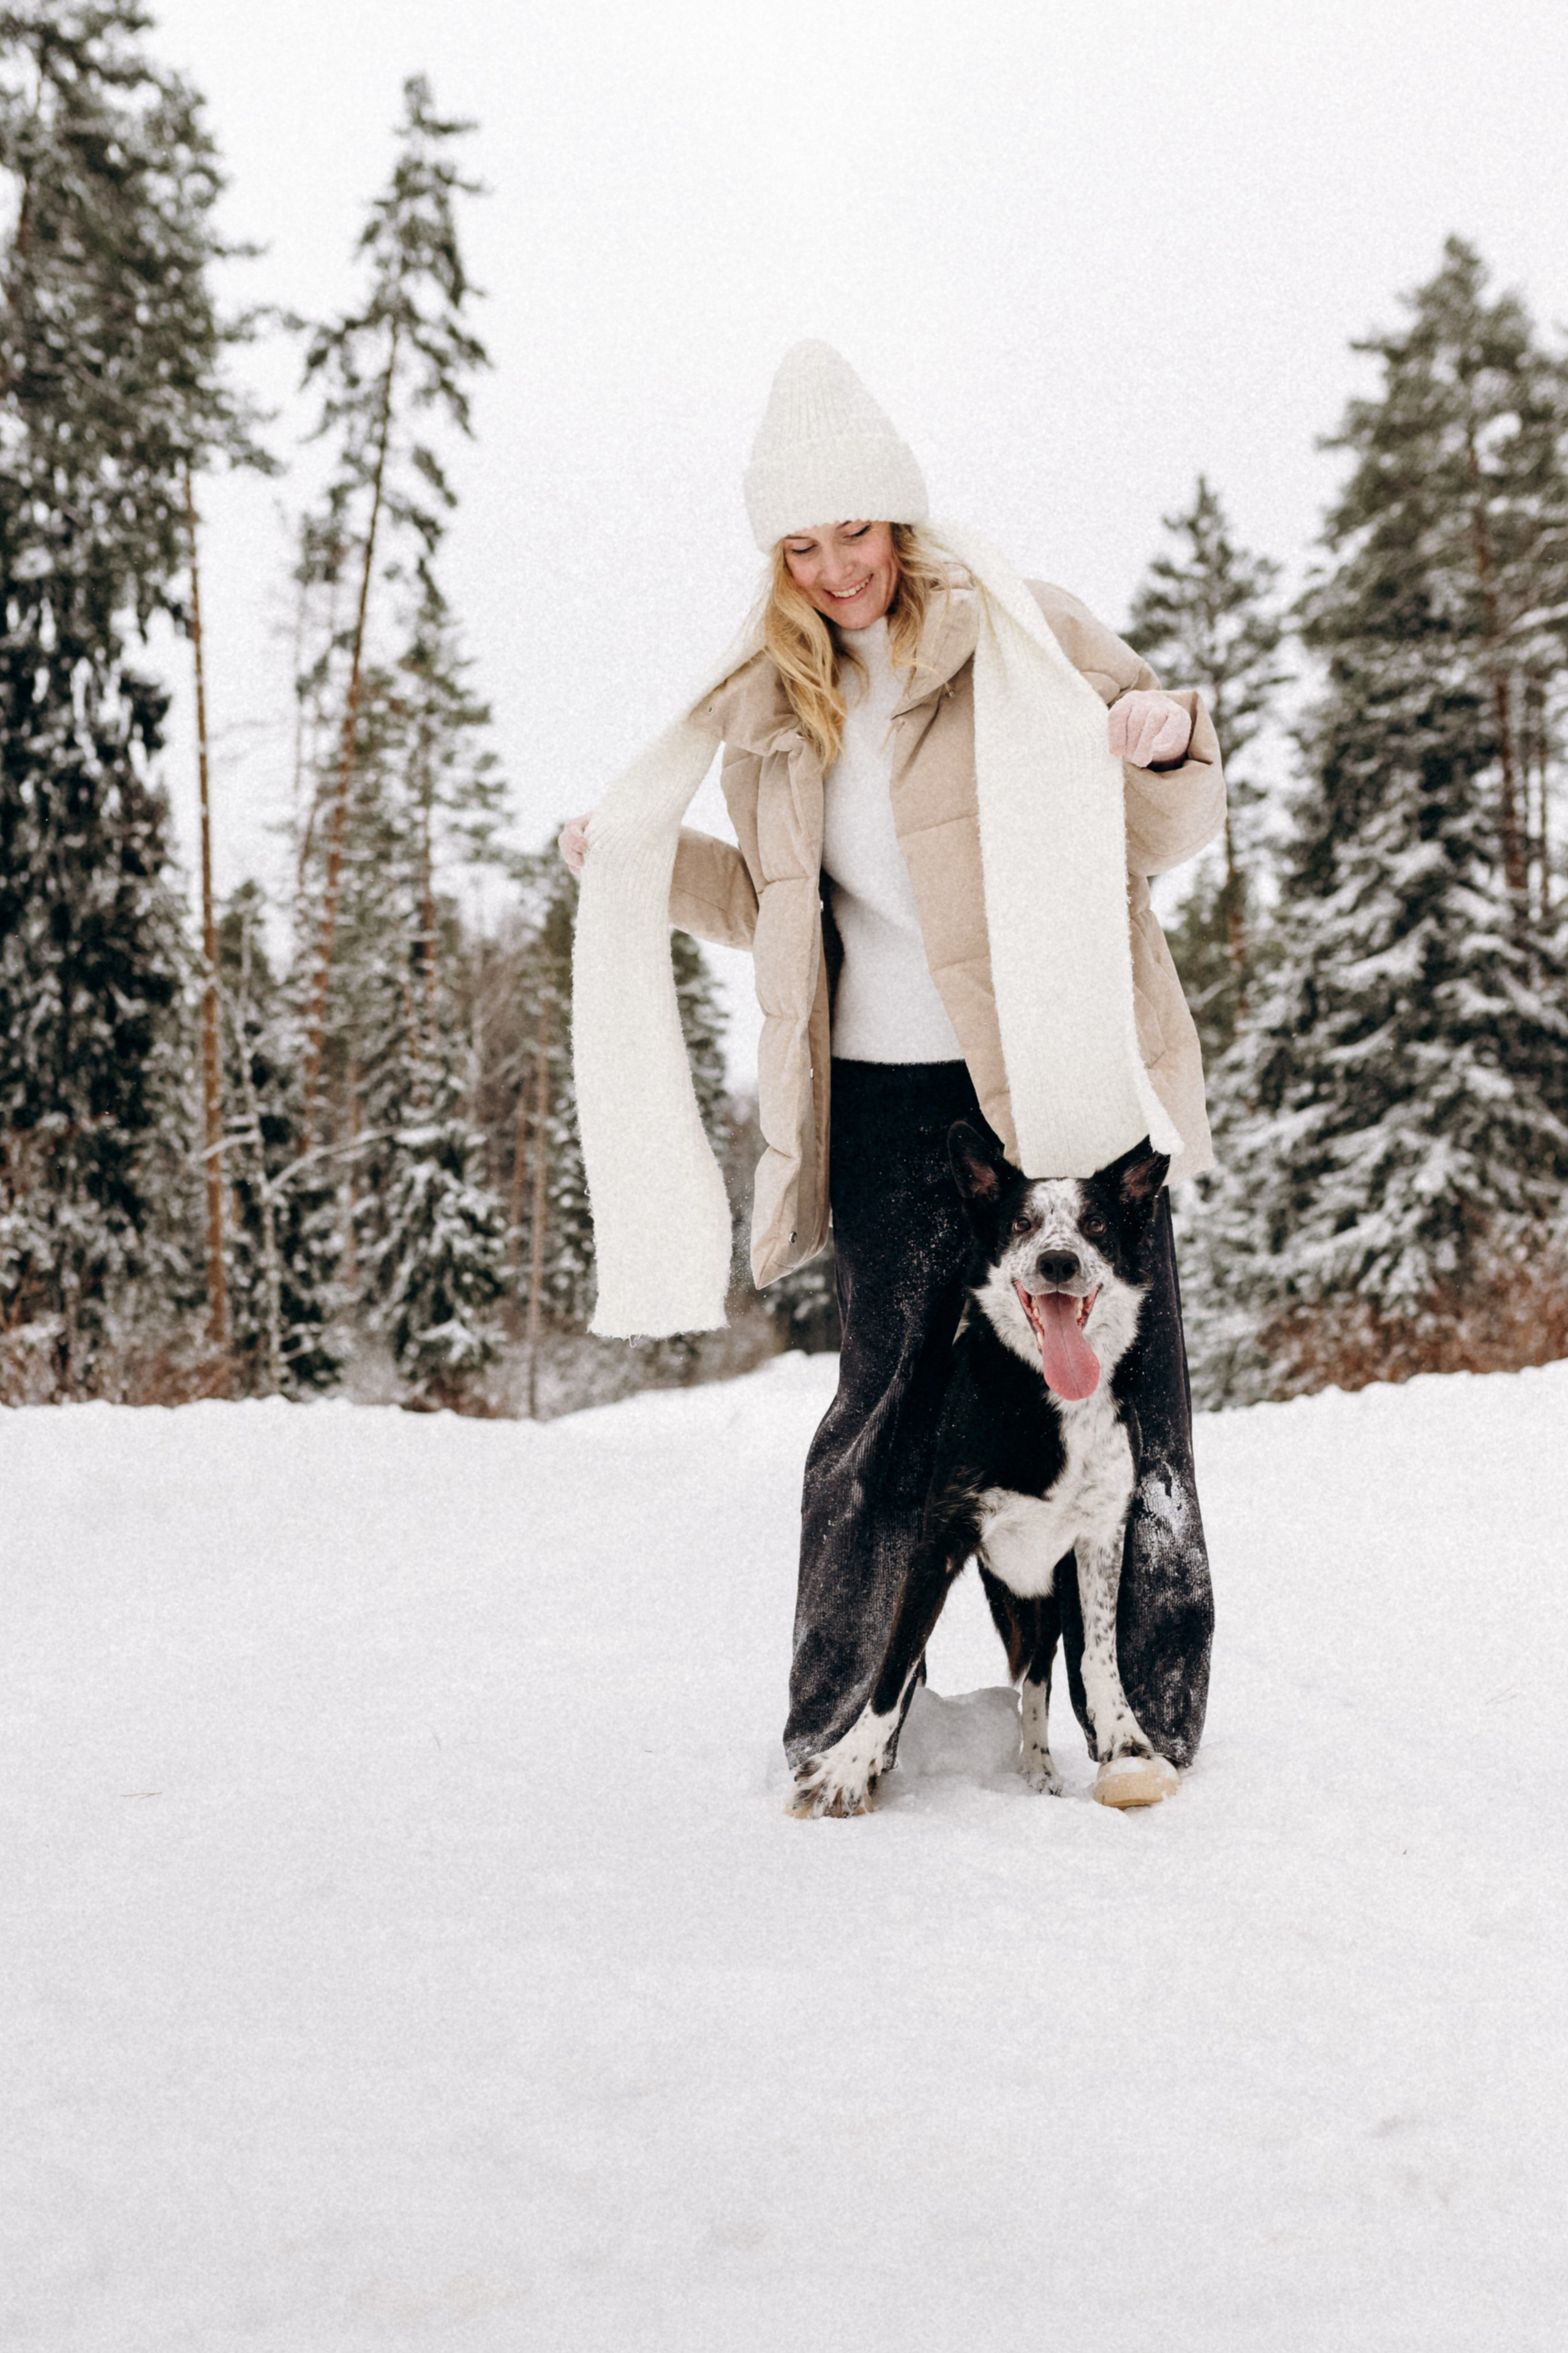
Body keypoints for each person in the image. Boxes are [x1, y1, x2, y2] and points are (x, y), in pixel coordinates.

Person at [561, 342, 1219, 1803]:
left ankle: (1142, 1719)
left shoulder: (1024, 634)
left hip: (1047, 1076)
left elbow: (1163, 831)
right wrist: (640, 868)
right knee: (879, 1405)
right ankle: (842, 1715)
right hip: (879, 1104)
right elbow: (776, 916)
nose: (833, 565)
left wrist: (1167, 738)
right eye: (798, 543)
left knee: (1134, 1399)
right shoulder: (770, 706)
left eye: (852, 528)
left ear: (900, 519)